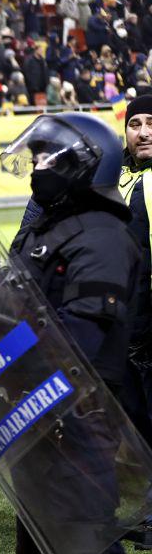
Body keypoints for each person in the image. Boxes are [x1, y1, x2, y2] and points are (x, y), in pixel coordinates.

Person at [3, 112, 140, 554]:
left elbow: (80, 336)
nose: (37, 166)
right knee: (38, 548)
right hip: (34, 409)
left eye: (47, 157)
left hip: (79, 413)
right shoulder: (49, 227)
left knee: (86, 546)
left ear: (84, 164)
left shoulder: (104, 235)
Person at [119, 95, 152, 451]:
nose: (143, 132)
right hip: (126, 327)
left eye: (151, 123)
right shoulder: (117, 181)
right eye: (134, 124)